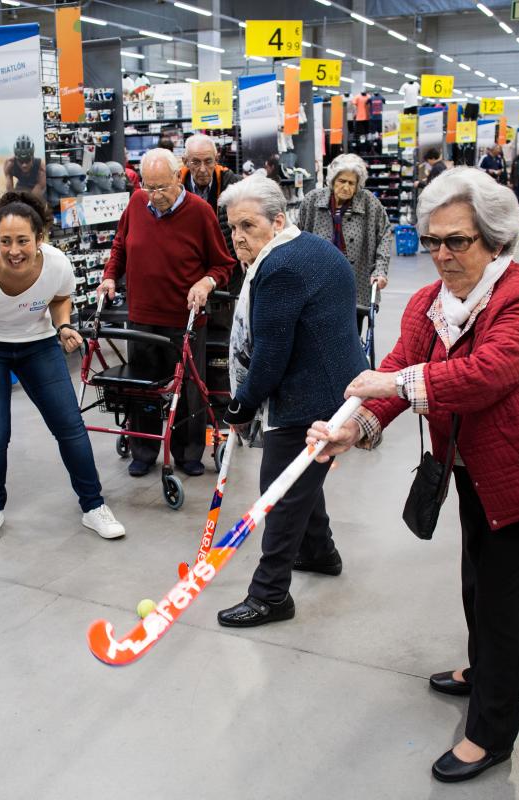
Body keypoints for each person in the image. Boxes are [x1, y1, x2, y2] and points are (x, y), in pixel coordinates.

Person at [307, 167, 519, 783]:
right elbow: (399, 367)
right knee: (476, 585)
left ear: (494, 239)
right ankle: (481, 669)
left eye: (456, 241)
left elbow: (486, 374)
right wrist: (353, 426)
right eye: (432, 240)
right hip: (473, 471)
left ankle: (491, 732)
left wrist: (396, 384)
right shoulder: (431, 303)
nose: (440, 254)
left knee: (506, 607)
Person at [215, 176, 369, 628]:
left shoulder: (280, 268)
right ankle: (321, 553)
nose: (239, 236)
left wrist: (241, 406)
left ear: (278, 220)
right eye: (233, 228)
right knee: (300, 480)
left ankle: (270, 596)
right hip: (336, 384)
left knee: (278, 494)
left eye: (248, 225)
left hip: (311, 399)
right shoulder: (312, 247)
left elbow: (269, 355)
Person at [0, 191, 125, 543]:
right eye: (5, 241)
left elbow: (60, 299)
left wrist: (63, 327)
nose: (14, 250)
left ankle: (93, 507)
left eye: (22, 241)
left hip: (38, 344)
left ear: (40, 239)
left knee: (69, 425)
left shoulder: (57, 264)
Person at [99, 148, 235, 477]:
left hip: (184, 319)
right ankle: (144, 449)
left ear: (178, 177)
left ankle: (188, 453)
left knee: (188, 388)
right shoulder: (135, 204)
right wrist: (108, 276)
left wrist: (206, 282)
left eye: (162, 187)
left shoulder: (201, 212)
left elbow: (224, 264)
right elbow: (120, 245)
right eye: (149, 187)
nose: (155, 195)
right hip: (143, 315)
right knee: (144, 387)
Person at [297, 153, 391, 335]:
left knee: (350, 334)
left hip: (357, 283)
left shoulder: (369, 202)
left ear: (358, 185)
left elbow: (385, 235)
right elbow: (296, 235)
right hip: (319, 282)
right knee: (318, 333)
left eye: (351, 183)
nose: (346, 187)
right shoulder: (313, 200)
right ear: (332, 180)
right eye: (342, 181)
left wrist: (380, 270)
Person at [179, 132, 242, 273]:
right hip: (188, 267)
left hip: (228, 266)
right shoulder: (175, 188)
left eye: (208, 161)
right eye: (195, 162)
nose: (202, 169)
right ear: (185, 162)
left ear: (216, 159)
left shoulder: (235, 185)